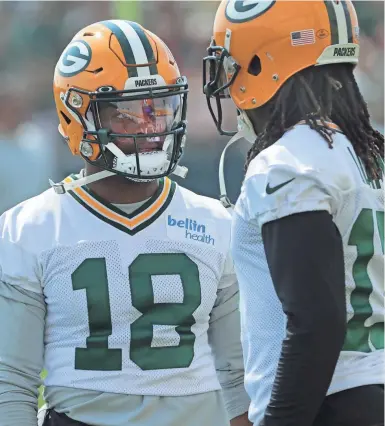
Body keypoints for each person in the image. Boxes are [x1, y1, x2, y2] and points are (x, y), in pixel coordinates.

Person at [0, 20, 251, 426]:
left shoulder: (218, 222)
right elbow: (11, 384)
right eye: (128, 113)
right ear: (77, 114)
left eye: (160, 106)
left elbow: (240, 377)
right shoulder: (29, 230)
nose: (150, 127)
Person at [203, 1, 384, 425]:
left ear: (263, 60)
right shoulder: (365, 156)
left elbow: (315, 324)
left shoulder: (288, 163)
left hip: (325, 401)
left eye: (233, 64)